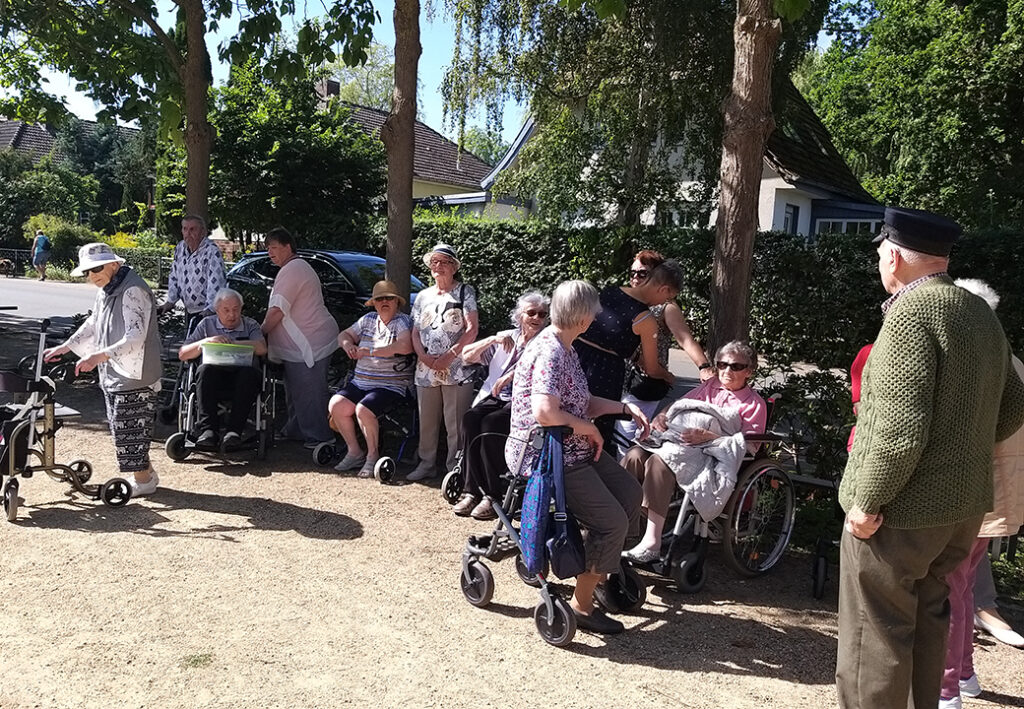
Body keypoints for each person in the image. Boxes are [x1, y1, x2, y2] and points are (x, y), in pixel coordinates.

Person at [834, 207, 1024, 709]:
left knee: (873, 636)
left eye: (880, 251)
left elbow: (898, 430)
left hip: (901, 511)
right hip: (961, 510)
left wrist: (867, 502)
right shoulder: (978, 311)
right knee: (927, 623)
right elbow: (1013, 406)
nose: (879, 259)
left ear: (894, 256)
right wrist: (961, 445)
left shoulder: (910, 313)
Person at [505, 280, 649, 635]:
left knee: (630, 494)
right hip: (547, 455)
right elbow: (545, 412)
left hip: (573, 447)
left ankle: (598, 571)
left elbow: (580, 402)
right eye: (594, 313)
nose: (597, 318)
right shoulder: (551, 352)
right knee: (612, 522)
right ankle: (582, 606)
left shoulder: (566, 347)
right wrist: (589, 429)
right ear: (583, 317)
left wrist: (624, 408)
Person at [939, 279, 1024, 709]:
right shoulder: (1013, 362)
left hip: (968, 493)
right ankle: (965, 675)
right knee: (964, 586)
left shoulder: (976, 362)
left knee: (949, 590)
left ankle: (947, 688)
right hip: (999, 495)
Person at [621, 341, 767, 562]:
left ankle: (652, 543)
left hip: (710, 456)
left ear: (749, 371)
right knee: (634, 455)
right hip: (679, 442)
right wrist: (662, 416)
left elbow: (749, 446)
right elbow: (680, 404)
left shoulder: (754, 403)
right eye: (722, 364)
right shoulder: (709, 387)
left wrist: (710, 437)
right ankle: (624, 531)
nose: (727, 370)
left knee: (659, 463)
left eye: (736, 366)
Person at [43, 243, 162, 496]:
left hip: (136, 374)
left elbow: (135, 337)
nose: (92, 275)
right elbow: (94, 322)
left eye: (97, 268)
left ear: (114, 264)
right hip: (117, 372)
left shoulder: (132, 290)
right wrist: (66, 346)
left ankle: (143, 481)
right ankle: (147, 476)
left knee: (130, 430)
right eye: (87, 271)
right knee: (124, 428)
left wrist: (98, 356)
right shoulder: (107, 289)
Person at [452, 290, 550, 520]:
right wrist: (492, 339)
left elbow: (539, 370)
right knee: (470, 419)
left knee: (491, 424)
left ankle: (492, 495)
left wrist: (511, 375)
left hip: (524, 401)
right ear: (519, 315)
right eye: (532, 313)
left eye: (542, 314)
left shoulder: (546, 342)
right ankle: (471, 490)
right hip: (495, 395)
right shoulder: (508, 337)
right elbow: (466, 356)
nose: (537, 318)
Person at [574, 259, 683, 456]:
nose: (663, 303)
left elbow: (607, 335)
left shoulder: (610, 292)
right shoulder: (645, 319)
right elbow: (652, 369)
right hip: (604, 374)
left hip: (575, 356)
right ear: (664, 289)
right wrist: (666, 376)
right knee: (596, 431)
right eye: (668, 297)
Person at [616, 250, 713, 445]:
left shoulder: (665, 307)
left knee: (626, 439)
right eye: (632, 273)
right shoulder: (624, 300)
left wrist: (704, 366)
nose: (635, 278)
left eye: (642, 273)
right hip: (616, 380)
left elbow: (685, 339)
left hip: (643, 384)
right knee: (611, 437)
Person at [260, 227, 339, 449]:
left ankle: (321, 437)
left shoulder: (293, 269)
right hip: (305, 342)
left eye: (274, 247)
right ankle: (296, 430)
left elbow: (277, 309)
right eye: (268, 248)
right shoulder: (296, 267)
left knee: (308, 391)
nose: (270, 252)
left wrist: (260, 332)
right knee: (295, 391)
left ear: (288, 247)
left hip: (310, 342)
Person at [408, 243, 480, 481]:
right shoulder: (422, 296)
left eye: (444, 262)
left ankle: (454, 470)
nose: (438, 266)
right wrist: (423, 356)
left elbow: (472, 329)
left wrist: (450, 355)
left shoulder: (465, 292)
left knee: (455, 425)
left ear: (454, 267)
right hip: (425, 369)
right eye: (434, 262)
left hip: (457, 369)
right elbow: (415, 331)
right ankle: (426, 464)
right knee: (427, 422)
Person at [329, 280, 414, 478]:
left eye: (389, 298)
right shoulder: (368, 319)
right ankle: (354, 452)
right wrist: (348, 345)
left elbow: (405, 346)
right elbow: (343, 335)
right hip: (361, 381)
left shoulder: (402, 322)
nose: (384, 302)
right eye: (379, 299)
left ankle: (372, 456)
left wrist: (372, 351)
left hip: (391, 384)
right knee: (336, 405)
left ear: (396, 302)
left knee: (363, 409)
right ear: (374, 303)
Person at [177, 287, 267, 452]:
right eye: (226, 310)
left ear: (241, 309)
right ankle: (208, 431)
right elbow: (183, 354)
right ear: (217, 310)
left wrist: (234, 343)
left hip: (242, 377)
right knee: (204, 370)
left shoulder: (250, 324)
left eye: (236, 309)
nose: (232, 315)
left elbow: (262, 348)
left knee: (249, 374)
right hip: (213, 377)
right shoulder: (206, 324)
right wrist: (206, 342)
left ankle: (234, 432)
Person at [158, 214, 227, 324]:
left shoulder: (211, 252)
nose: (188, 233)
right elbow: (174, 275)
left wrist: (210, 309)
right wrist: (170, 301)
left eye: (192, 229)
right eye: (185, 229)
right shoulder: (180, 248)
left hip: (206, 312)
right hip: (188, 310)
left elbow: (216, 282)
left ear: (202, 232)